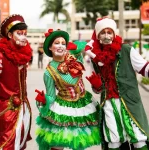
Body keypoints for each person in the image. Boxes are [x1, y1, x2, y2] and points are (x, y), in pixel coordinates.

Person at [85, 17, 149, 150]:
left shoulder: (126, 50)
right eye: (103, 32)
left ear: (114, 34)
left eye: (110, 32)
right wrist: (96, 86)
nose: (107, 36)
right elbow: (97, 88)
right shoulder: (94, 58)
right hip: (108, 103)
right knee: (113, 140)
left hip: (130, 101)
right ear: (98, 36)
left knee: (138, 138)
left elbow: (144, 68)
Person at [35, 29, 101, 150]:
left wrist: (97, 86)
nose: (60, 46)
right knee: (58, 143)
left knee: (80, 142)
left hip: (84, 104)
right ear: (50, 47)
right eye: (56, 43)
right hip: (64, 108)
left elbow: (84, 46)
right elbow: (51, 95)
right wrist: (43, 101)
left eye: (63, 43)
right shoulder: (49, 72)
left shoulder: (74, 57)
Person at [0, 14, 32, 149]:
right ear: (10, 35)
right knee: (7, 144)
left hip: (23, 108)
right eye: (19, 33)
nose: (24, 37)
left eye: (25, 33)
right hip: (6, 110)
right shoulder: (0, 56)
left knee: (20, 142)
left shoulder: (23, 56)